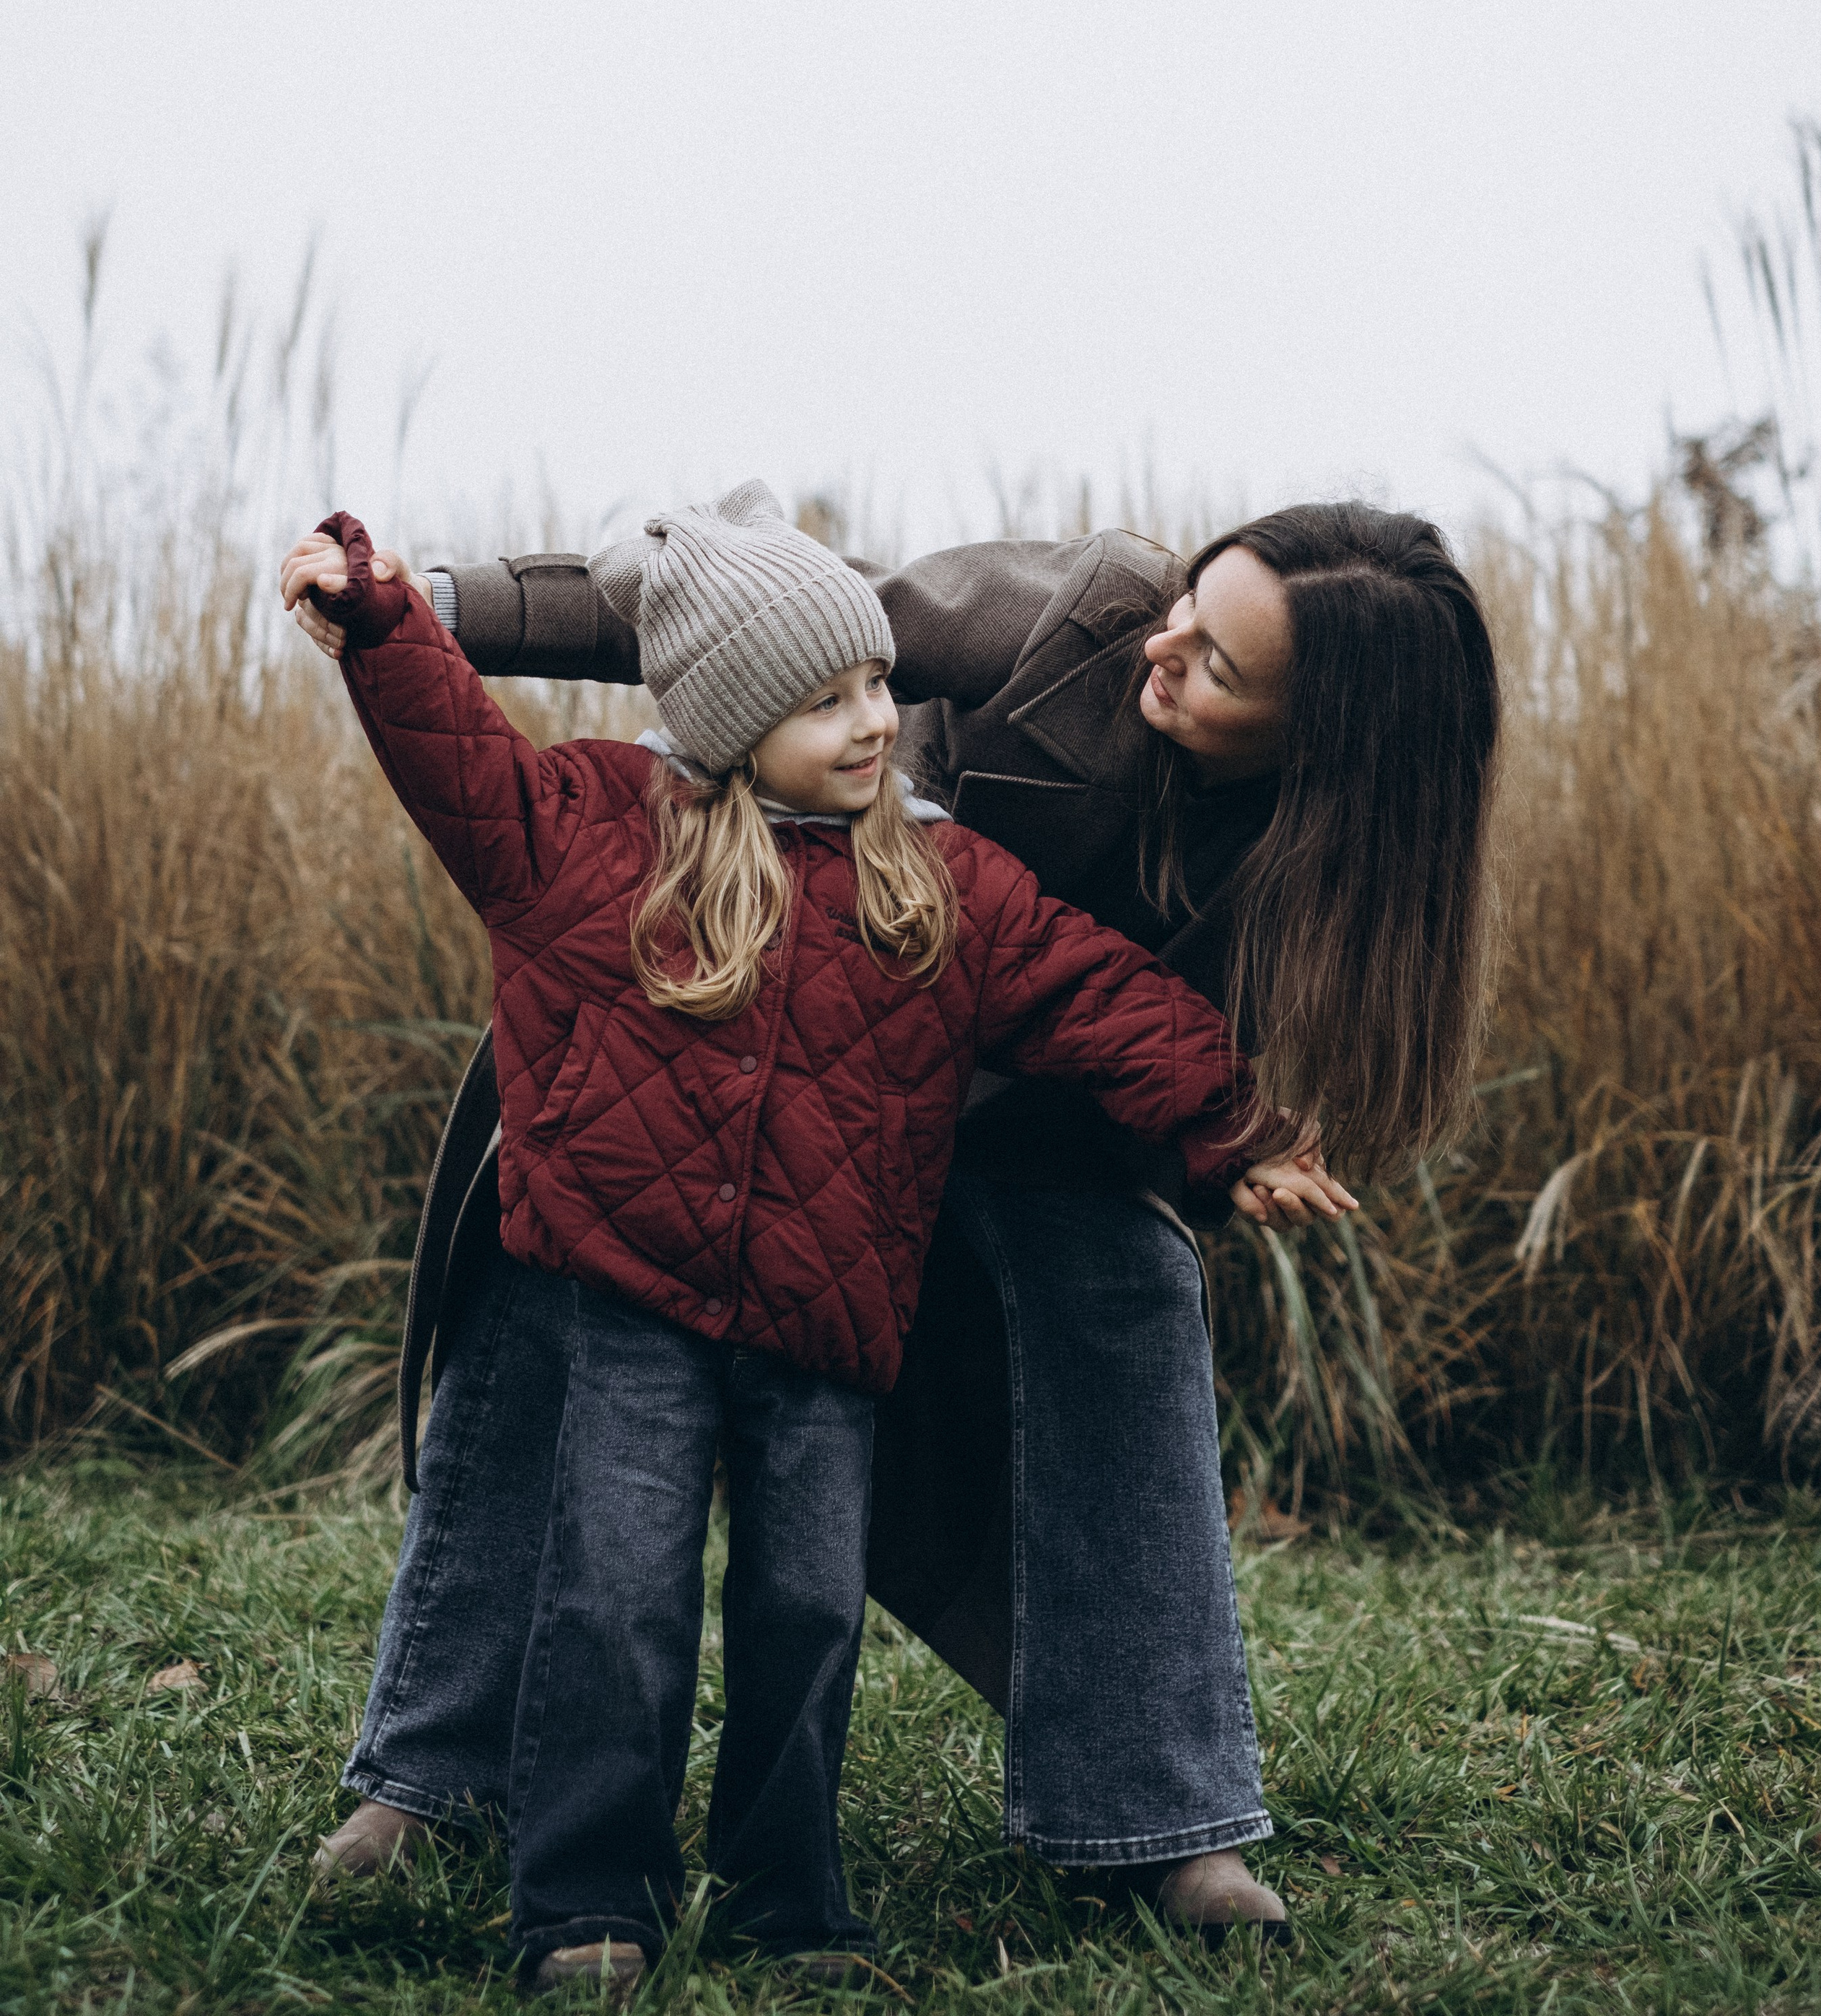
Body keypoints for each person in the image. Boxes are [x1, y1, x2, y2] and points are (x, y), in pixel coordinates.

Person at [292, 492, 1496, 1946]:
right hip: (714, 1020)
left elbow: (1112, 1010)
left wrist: (1227, 1135)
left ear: (1328, 744)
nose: (1162, 648)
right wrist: (431, 608)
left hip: (1007, 1107)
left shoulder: (1329, 871)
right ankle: (431, 1775)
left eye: (1219, 665)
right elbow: (738, 604)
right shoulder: (1080, 619)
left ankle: (1154, 1815)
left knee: (1126, 1287)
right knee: (555, 1280)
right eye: (1191, 598)